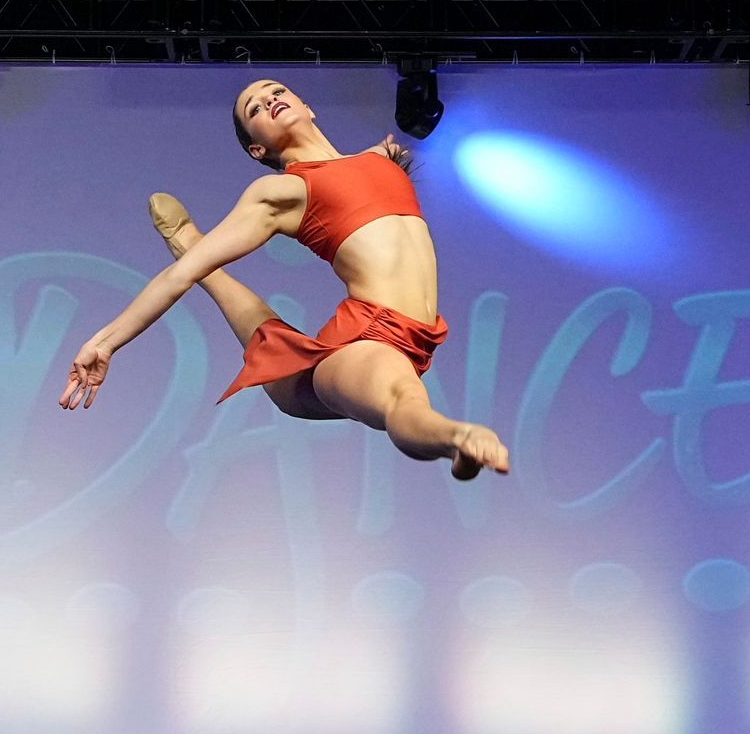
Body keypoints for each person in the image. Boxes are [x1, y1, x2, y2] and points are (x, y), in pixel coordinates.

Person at [59, 78, 509, 479]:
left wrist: (384, 154)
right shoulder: (280, 192)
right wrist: (105, 343)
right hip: (367, 340)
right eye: (254, 109)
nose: (270, 100)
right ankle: (457, 439)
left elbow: (361, 170)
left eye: (276, 91)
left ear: (306, 106)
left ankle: (191, 242)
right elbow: (178, 279)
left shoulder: (371, 161)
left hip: (414, 338)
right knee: (401, 399)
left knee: (279, 348)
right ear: (258, 149)